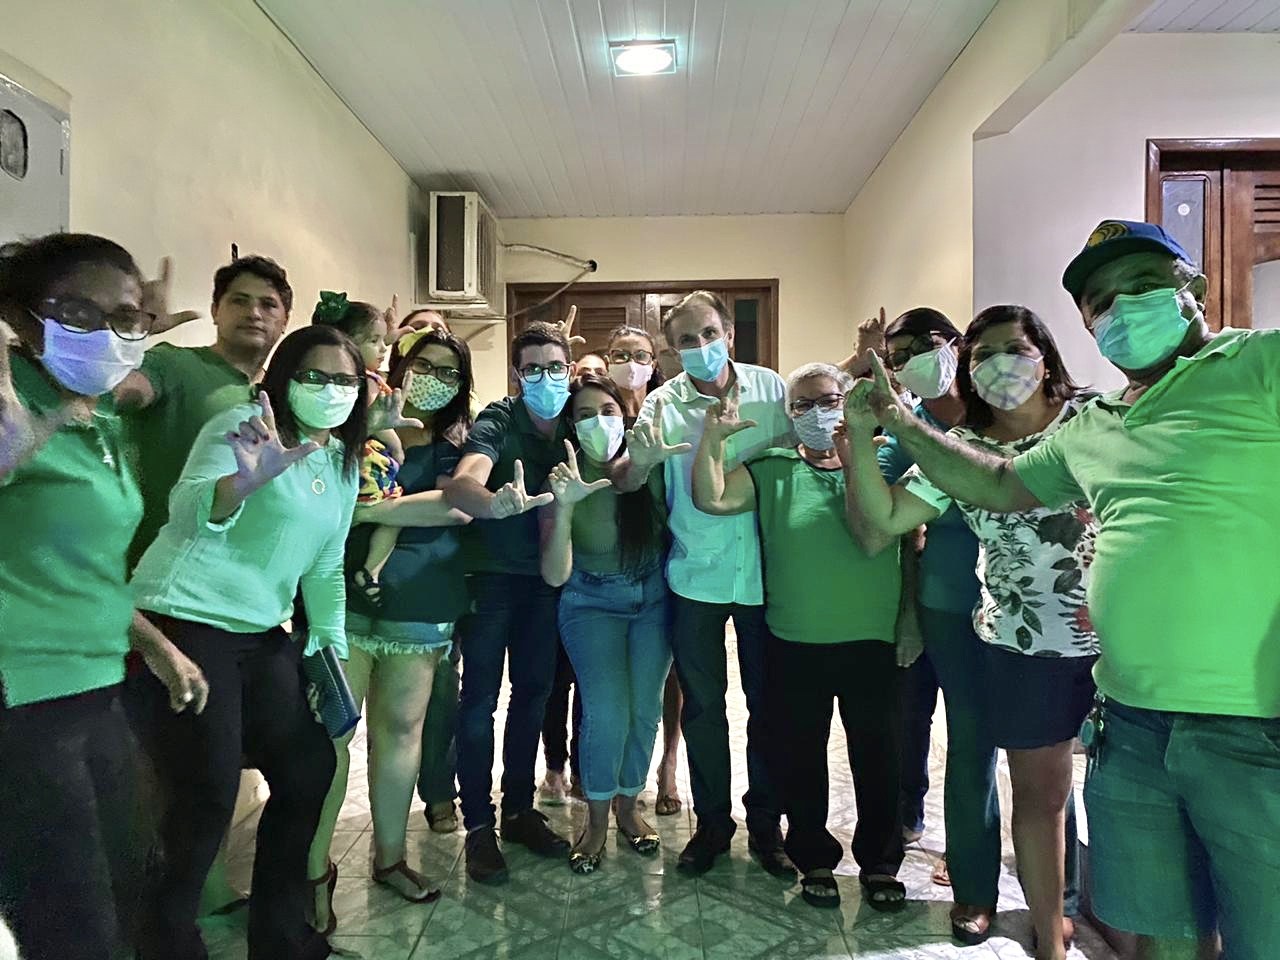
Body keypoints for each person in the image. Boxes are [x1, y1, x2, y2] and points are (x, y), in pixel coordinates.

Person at [849, 219, 1280, 960]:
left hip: (1252, 723)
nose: (1122, 310)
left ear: (1196, 290)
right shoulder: (1096, 428)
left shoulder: (1260, 365)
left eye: (1143, 286)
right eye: (1102, 302)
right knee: (1164, 932)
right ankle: (1053, 930)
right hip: (1128, 716)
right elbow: (997, 483)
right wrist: (891, 421)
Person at [845, 305, 1099, 958]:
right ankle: (1000, 901)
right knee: (1012, 773)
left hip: (1109, 636)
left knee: (1087, 786)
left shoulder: (1093, 423)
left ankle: (1074, 905)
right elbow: (884, 522)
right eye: (985, 356)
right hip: (1003, 632)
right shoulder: (953, 443)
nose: (998, 366)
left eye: (1013, 349)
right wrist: (860, 439)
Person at [0, 234, 209, 960]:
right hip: (21, 697)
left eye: (124, 317)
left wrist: (158, 646)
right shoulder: (10, 409)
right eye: (76, 314)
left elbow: (86, 567)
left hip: (95, 686)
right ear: (24, 319)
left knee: (130, 883)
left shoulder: (99, 421)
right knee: (70, 924)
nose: (106, 333)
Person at [129, 324, 365, 960]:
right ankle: (166, 944)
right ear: (285, 378)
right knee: (206, 791)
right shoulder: (244, 426)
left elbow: (325, 563)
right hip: (183, 618)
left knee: (308, 766)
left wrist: (330, 643)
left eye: (344, 380)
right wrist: (244, 483)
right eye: (314, 376)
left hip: (260, 631)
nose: (330, 390)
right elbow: (185, 508)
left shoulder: (343, 461)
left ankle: (282, 939)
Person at [691, 362, 908, 911]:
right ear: (789, 416)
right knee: (802, 756)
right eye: (803, 405)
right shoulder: (772, 468)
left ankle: (881, 862)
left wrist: (911, 622)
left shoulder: (882, 460)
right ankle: (813, 855)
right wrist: (712, 441)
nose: (817, 413)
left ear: (847, 402)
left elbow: (910, 544)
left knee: (879, 756)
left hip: (873, 639)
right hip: (794, 640)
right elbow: (712, 498)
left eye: (828, 399)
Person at [614, 290, 796, 878]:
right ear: (672, 350)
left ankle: (766, 824)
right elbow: (630, 478)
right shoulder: (662, 405)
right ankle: (713, 823)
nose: (701, 347)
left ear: (729, 333)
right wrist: (639, 462)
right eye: (687, 340)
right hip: (695, 574)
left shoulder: (771, 390)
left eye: (709, 333)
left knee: (770, 705)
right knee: (703, 708)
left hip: (768, 574)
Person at [307, 326, 474, 931]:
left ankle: (390, 857)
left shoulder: (462, 445)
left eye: (449, 373)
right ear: (401, 365)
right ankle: (314, 871)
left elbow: (456, 506)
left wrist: (369, 510)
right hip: (342, 606)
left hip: (422, 609)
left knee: (401, 735)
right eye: (424, 365)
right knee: (330, 736)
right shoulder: (353, 423)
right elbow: (319, 494)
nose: (434, 380)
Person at [444, 320, 575, 884]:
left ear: (570, 368)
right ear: (517, 376)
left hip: (547, 582)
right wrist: (491, 502)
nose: (545, 378)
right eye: (532, 369)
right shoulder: (500, 418)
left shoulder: (575, 421)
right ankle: (479, 824)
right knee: (479, 702)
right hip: (491, 580)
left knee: (535, 695)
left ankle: (519, 810)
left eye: (555, 367)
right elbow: (462, 482)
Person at [539, 374, 671, 873]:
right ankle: (595, 820)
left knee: (644, 710)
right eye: (585, 415)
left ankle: (628, 807)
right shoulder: (563, 477)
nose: (599, 422)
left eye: (608, 411)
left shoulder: (647, 462)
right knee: (607, 712)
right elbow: (555, 574)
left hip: (653, 599)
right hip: (590, 601)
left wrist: (648, 465)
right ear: (571, 426)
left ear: (625, 415)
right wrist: (565, 508)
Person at [874, 307, 982, 897]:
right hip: (935, 597)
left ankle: (971, 848)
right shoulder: (909, 426)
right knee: (909, 716)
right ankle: (906, 816)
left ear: (955, 345)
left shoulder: (995, 417)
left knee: (977, 738)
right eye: (898, 356)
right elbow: (878, 498)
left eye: (922, 346)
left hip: (1007, 606)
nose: (910, 361)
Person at [116, 254, 291, 568]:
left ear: (285, 321)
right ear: (215, 311)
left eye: (268, 305)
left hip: (230, 576)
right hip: (151, 568)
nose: (254, 313)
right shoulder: (173, 364)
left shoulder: (282, 396)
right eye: (239, 301)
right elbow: (110, 394)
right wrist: (132, 333)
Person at [603, 325, 684, 813]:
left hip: (666, 558)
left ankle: (667, 765)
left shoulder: (668, 413)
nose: (629, 364)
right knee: (609, 680)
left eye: (639, 355)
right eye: (619, 354)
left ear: (654, 363)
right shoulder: (597, 414)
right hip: (609, 564)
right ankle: (607, 770)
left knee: (668, 677)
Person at [309, 290, 413, 604]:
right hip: (368, 461)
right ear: (348, 344)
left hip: (358, 459)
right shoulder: (364, 380)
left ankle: (366, 572)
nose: (383, 349)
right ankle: (370, 571)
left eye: (384, 341)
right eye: (374, 341)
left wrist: (386, 338)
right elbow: (376, 421)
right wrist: (397, 448)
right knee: (394, 515)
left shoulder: (359, 377)